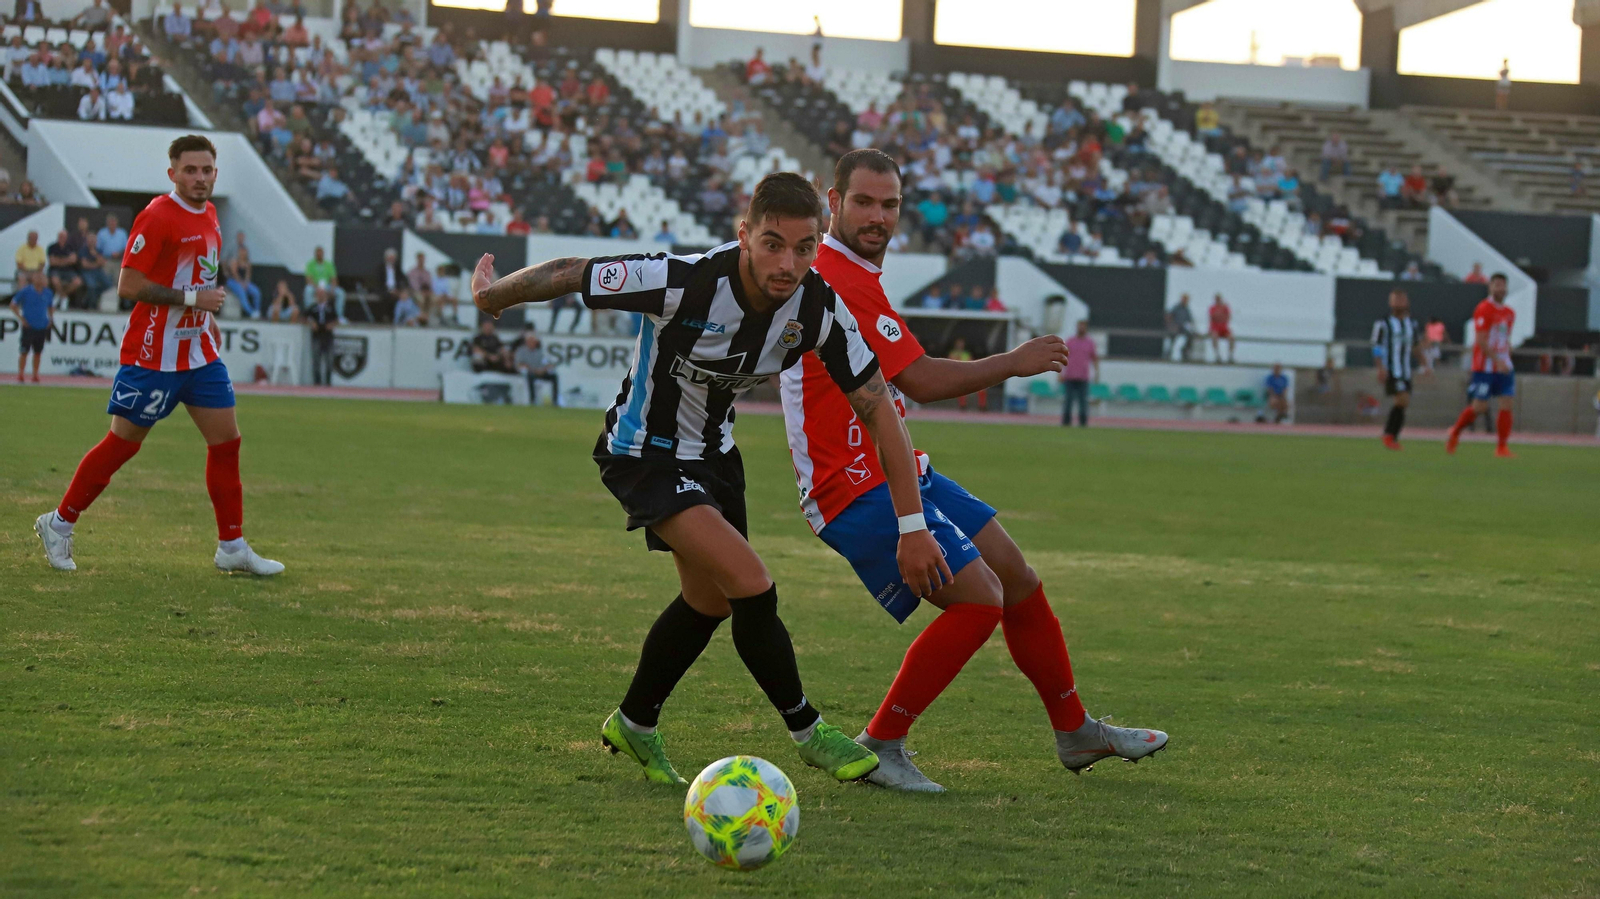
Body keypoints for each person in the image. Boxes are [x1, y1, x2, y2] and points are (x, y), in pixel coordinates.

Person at [468, 172, 939, 787]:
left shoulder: (820, 308)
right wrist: (491, 297)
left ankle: (633, 723)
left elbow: (879, 409)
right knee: (750, 582)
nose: (788, 262)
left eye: (805, 247)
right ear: (744, 234)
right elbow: (568, 271)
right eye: (772, 243)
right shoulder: (681, 281)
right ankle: (807, 730)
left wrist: (912, 525)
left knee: (710, 600)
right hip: (645, 453)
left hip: (716, 458)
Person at [776, 150, 1166, 790]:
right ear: (833, 202)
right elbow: (920, 379)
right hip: (849, 482)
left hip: (900, 466)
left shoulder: (860, 277)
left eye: (890, 204)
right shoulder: (835, 278)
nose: (878, 217)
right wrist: (1011, 361)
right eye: (864, 202)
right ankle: (884, 741)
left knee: (1017, 575)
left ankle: (1075, 730)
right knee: (979, 597)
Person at [33, 135, 282, 576]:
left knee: (227, 443)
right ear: (173, 174)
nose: (199, 178)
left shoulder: (210, 213)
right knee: (122, 446)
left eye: (206, 170)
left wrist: (207, 316)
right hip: (153, 356)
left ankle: (232, 546)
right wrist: (192, 299)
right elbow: (127, 286)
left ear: (215, 173)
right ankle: (59, 522)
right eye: (190, 170)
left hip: (199, 353)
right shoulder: (157, 216)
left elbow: (201, 274)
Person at [1447, 273, 1516, 457]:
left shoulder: (1510, 313)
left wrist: (1507, 356)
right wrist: (1497, 361)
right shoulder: (1484, 308)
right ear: (1490, 287)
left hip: (1504, 366)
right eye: (1497, 285)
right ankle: (1455, 432)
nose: (1500, 288)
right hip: (1485, 367)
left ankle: (1501, 447)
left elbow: (1504, 338)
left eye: (1503, 285)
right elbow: (1481, 341)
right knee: (1479, 407)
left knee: (1507, 403)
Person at [1371, 288, 1426, 450]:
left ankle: (1390, 435)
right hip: (1392, 370)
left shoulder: (1412, 324)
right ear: (1390, 303)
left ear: (1407, 302)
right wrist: (1380, 368)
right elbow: (1377, 347)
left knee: (1403, 402)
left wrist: (1425, 364)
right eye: (1394, 300)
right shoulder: (1383, 324)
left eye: (1401, 299)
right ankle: (1389, 435)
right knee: (1402, 399)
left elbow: (1416, 346)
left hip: (1405, 371)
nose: (1398, 303)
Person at [10, 269, 53, 383]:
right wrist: (21, 318)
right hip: (29, 326)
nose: (40, 279)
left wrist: (50, 318)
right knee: (24, 351)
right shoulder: (25, 291)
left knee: (38, 352)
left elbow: (50, 306)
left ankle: (35, 374)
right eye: (38, 277)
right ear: (33, 279)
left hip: (41, 326)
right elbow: (13, 305)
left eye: (42, 277)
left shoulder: (48, 293)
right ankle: (21, 374)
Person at [1060, 318, 1097, 427]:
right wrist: (1060, 373)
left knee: (1083, 402)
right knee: (1068, 401)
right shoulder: (1070, 341)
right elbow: (1062, 357)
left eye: (1083, 326)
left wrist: (1096, 373)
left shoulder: (1090, 343)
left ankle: (1083, 422)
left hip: (1083, 377)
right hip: (1070, 376)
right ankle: (1066, 422)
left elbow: (1094, 358)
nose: (1081, 328)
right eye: (1080, 326)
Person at [514, 329, 559, 406]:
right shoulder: (521, 351)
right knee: (530, 377)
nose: (532, 343)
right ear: (526, 342)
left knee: (554, 377)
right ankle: (532, 400)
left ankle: (555, 400)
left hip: (541, 372)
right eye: (530, 341)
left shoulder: (540, 352)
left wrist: (544, 370)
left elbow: (547, 363)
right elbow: (520, 364)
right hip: (530, 372)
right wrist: (533, 370)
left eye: (534, 341)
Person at [304, 286, 337, 385]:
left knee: (329, 361)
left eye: (322, 294)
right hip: (316, 335)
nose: (320, 296)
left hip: (328, 336)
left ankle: (328, 383)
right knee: (316, 360)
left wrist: (331, 325)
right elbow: (304, 317)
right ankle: (317, 383)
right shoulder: (313, 308)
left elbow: (336, 319)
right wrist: (311, 323)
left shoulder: (330, 308)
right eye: (319, 294)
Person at [302, 245, 344, 321]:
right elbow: (309, 280)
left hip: (327, 286)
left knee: (340, 293)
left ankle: (339, 317)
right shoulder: (310, 264)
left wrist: (332, 289)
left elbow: (334, 279)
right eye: (317, 253)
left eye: (320, 253)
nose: (319, 255)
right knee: (308, 290)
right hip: (315, 286)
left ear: (323, 254)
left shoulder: (329, 264)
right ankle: (309, 315)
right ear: (315, 254)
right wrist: (317, 288)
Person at [47, 229, 84, 307]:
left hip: (68, 271)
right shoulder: (52, 247)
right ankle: (62, 297)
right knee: (55, 281)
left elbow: (73, 260)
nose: (62, 238)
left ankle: (62, 295)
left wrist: (59, 260)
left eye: (64, 236)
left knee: (78, 282)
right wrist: (67, 260)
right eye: (60, 236)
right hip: (55, 270)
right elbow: (52, 262)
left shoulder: (71, 247)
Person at [947, 337, 985, 411]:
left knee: (982, 389)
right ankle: (962, 406)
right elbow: (949, 366)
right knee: (961, 389)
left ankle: (982, 406)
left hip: (967, 375)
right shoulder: (952, 354)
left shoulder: (966, 354)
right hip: (957, 376)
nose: (960, 345)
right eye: (959, 344)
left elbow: (972, 364)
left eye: (961, 344)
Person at [1166, 293, 1194, 361]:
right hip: (1175, 326)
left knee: (1190, 335)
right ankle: (1168, 353)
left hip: (1183, 327)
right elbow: (1169, 316)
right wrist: (1171, 325)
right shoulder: (1176, 307)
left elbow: (1190, 320)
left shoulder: (1186, 309)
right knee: (1173, 336)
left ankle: (1184, 350)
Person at [1207, 293, 1234, 363]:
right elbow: (1213, 317)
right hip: (1215, 328)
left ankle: (1230, 356)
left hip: (1224, 328)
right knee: (1214, 337)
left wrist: (1220, 317)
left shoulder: (1225, 307)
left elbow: (1228, 317)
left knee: (1231, 338)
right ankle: (1217, 355)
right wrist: (1220, 316)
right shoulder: (1212, 308)